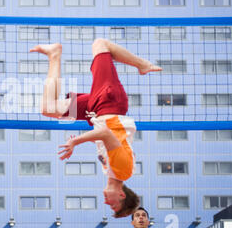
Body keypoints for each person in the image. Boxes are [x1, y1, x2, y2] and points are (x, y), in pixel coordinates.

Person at [30, 39, 162, 218]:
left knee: (49, 108)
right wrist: (75, 142)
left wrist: (90, 138)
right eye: (114, 206)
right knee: (100, 44)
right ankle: (143, 64)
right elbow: (106, 133)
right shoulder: (123, 170)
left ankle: (54, 55)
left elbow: (109, 138)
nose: (107, 203)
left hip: (96, 112)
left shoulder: (110, 171)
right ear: (122, 195)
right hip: (110, 103)